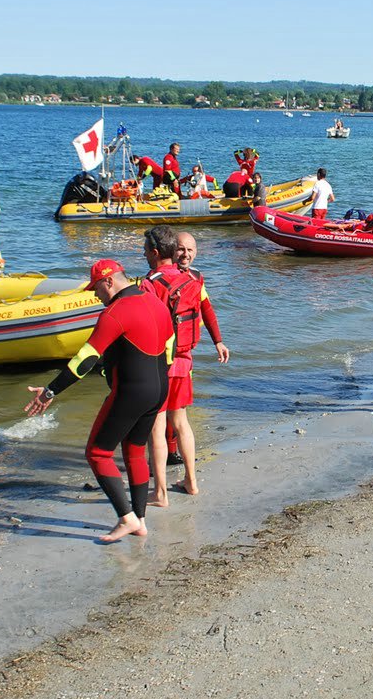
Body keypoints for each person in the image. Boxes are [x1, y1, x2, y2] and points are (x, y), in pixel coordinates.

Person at [24, 259, 173, 542]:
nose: (95, 296)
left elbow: (85, 359)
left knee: (98, 453)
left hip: (131, 391)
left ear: (109, 281)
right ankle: (140, 520)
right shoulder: (155, 302)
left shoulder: (115, 312)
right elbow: (170, 346)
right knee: (134, 450)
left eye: (96, 289)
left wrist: (50, 391)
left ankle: (126, 518)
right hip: (159, 389)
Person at [138, 226, 205, 506]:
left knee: (157, 428)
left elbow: (144, 327)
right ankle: (191, 481)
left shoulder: (149, 283)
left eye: (144, 250)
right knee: (182, 424)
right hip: (184, 361)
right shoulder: (193, 279)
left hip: (159, 365)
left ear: (155, 253)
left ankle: (160, 493)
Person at [161, 232, 229, 475]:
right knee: (164, 410)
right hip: (161, 355)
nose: (185, 255)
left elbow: (207, 309)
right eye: (181, 249)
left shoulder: (197, 278)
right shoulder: (160, 280)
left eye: (190, 250)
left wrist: (218, 342)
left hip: (184, 353)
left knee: (177, 408)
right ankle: (164, 454)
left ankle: (171, 454)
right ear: (171, 250)